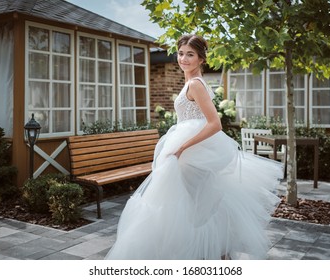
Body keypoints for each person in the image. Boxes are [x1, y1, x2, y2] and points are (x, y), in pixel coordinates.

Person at [105, 34, 283, 260]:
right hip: (189, 152)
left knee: (187, 208)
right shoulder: (192, 83)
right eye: (181, 53)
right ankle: (212, 255)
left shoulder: (196, 84)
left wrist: (182, 147)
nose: (183, 58)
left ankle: (201, 256)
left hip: (191, 154)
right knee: (195, 206)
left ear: (201, 59)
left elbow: (215, 124)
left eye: (190, 54)